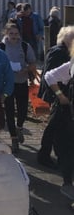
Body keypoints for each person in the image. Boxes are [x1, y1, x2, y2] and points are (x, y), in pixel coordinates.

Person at [38, 25, 74, 168]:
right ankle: (45, 155)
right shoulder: (58, 52)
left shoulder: (68, 53)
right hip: (59, 95)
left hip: (64, 95)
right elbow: (49, 74)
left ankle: (57, 156)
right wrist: (58, 95)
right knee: (54, 127)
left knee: (58, 127)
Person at [0, 23, 36, 153]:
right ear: (6, 34)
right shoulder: (1, 47)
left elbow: (32, 63)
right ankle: (13, 137)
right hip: (7, 83)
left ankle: (19, 126)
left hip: (21, 80)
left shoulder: (25, 46)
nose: (14, 36)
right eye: (11, 34)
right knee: (9, 111)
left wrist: (25, 69)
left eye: (16, 34)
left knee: (23, 110)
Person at [42, 47, 74, 200]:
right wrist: (61, 95)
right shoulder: (70, 67)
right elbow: (49, 76)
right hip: (69, 115)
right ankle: (68, 183)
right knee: (69, 148)